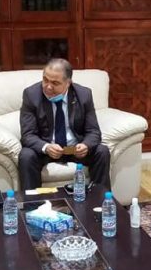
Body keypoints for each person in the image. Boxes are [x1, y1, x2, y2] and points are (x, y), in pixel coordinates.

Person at [18, 58, 110, 190]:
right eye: (45, 80)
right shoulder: (31, 95)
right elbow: (28, 135)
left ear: (68, 83)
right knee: (26, 155)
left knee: (102, 151)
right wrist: (46, 147)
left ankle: (100, 198)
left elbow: (93, 131)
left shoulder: (83, 95)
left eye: (55, 83)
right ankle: (32, 201)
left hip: (75, 150)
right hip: (46, 151)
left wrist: (86, 145)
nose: (48, 86)